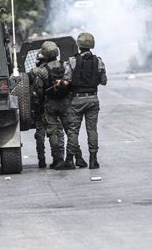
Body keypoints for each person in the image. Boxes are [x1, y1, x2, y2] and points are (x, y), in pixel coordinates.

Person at [62, 32, 107, 170]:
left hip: (76, 100)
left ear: (79, 45)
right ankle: (93, 160)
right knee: (92, 130)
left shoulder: (72, 61)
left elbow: (66, 80)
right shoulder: (98, 61)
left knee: (73, 130)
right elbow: (104, 81)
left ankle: (69, 160)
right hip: (93, 99)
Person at [30, 41, 71, 169]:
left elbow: (38, 90)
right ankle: (71, 158)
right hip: (64, 103)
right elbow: (71, 83)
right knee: (67, 131)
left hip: (48, 106)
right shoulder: (65, 65)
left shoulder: (40, 71)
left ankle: (56, 159)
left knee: (50, 133)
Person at [29, 50, 49, 168]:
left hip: (38, 108)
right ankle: (59, 158)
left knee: (40, 136)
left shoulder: (33, 72)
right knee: (56, 133)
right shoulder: (55, 69)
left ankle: (41, 160)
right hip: (52, 106)